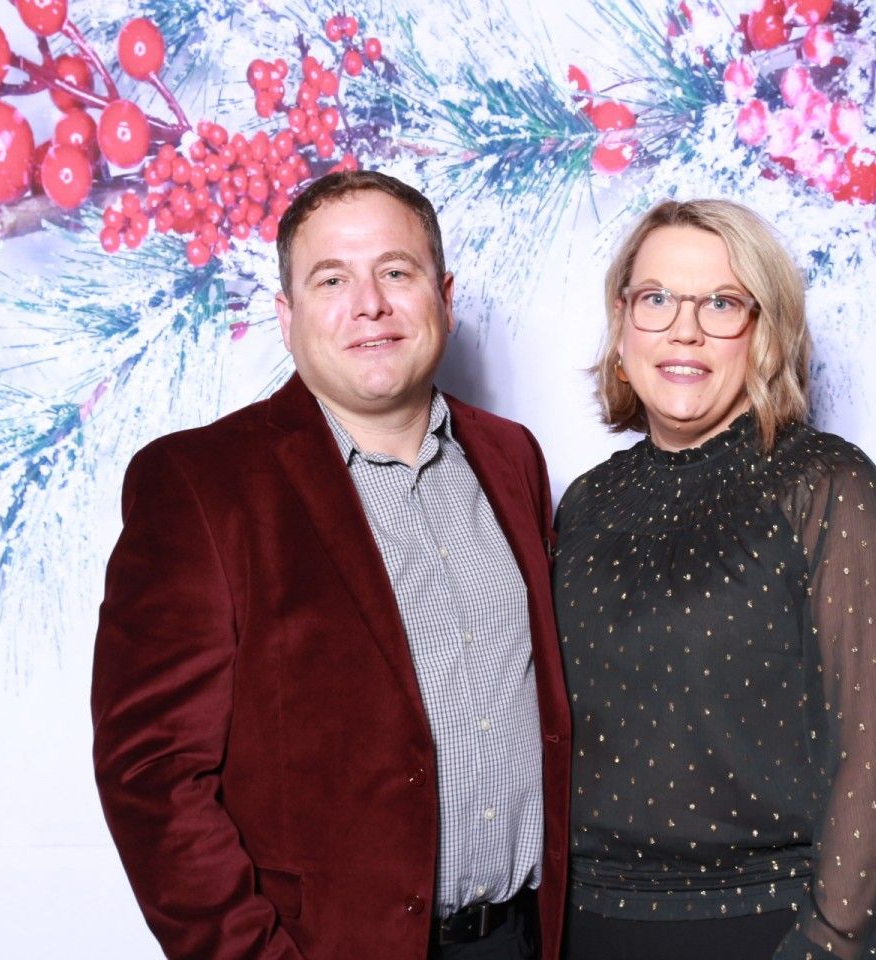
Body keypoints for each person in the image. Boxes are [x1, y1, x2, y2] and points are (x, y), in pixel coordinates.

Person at [91, 170, 571, 960]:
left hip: (523, 939)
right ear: (287, 316)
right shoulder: (200, 485)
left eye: (395, 271)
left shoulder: (511, 456)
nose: (370, 305)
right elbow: (152, 776)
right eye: (332, 279)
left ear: (443, 296)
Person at [554, 199, 876, 960]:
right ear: (623, 325)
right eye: (657, 299)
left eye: (721, 303)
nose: (684, 329)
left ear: (765, 331)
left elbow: (875, 763)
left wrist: (827, 944)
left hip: (765, 927)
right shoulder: (586, 502)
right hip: (586, 927)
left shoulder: (829, 489)